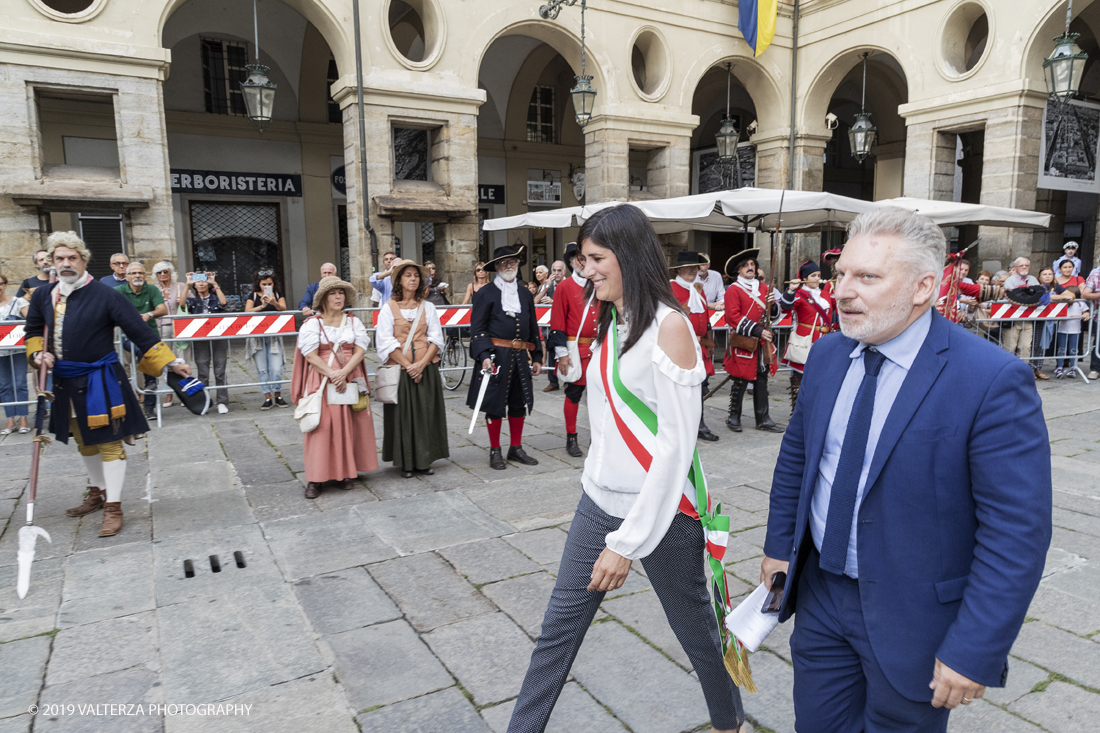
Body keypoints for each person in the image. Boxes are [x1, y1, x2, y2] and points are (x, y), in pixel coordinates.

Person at [760, 207, 1051, 733]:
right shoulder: (827, 355)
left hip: (913, 615)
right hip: (821, 596)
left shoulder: (990, 380)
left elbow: (1016, 533)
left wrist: (975, 647)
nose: (843, 291)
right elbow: (799, 459)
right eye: (842, 274)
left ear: (922, 288)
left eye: (867, 277)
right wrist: (780, 545)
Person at [509, 204, 746, 733]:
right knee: (557, 632)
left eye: (596, 258)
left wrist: (626, 542)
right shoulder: (610, 317)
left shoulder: (671, 328)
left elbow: (675, 448)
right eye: (582, 259)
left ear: (630, 255)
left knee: (697, 632)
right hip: (599, 501)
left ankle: (729, 723)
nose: (585, 269)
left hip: (663, 513)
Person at [27, 232, 189, 537]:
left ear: (84, 260)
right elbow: (34, 329)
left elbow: (139, 332)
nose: (66, 264)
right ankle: (98, 492)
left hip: (99, 378)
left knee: (108, 441)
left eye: (72, 258)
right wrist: (38, 353)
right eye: (59, 258)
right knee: (82, 440)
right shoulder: (41, 296)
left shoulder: (106, 295)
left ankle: (114, 506)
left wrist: (171, 362)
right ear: (52, 261)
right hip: (62, 380)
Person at [291, 277, 377, 498]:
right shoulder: (312, 324)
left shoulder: (353, 322)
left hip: (349, 374)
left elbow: (359, 350)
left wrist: (344, 372)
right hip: (320, 379)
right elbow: (310, 355)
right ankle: (315, 478)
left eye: (341, 292)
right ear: (323, 299)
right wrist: (332, 374)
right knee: (320, 426)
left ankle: (346, 473)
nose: (338, 297)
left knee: (350, 424)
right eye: (333, 293)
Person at [466, 244, 545, 470]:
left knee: (518, 403)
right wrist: (483, 355)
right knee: (495, 404)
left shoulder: (524, 293)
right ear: (497, 267)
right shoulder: (485, 293)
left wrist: (537, 355)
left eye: (512, 262)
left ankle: (516, 448)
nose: (508, 266)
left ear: (517, 265)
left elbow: (532, 326)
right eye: (503, 263)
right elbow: (478, 328)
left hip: (521, 356)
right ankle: (495, 450)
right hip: (495, 356)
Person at [375, 260, 450, 477]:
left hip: (426, 369)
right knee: (403, 417)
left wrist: (421, 364)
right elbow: (385, 341)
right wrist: (409, 366)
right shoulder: (388, 308)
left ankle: (424, 459)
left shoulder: (429, 307)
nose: (413, 279)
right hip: (400, 370)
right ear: (399, 280)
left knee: (426, 414)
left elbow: (436, 338)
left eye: (416, 276)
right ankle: (405, 462)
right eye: (408, 275)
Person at [722, 248, 783, 433]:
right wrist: (758, 331)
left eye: (752, 265)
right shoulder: (733, 290)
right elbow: (733, 317)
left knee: (761, 380)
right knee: (740, 379)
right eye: (746, 265)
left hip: (762, 343)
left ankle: (763, 418)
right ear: (738, 270)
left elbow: (773, 315)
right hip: (744, 341)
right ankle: (734, 417)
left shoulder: (764, 288)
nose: (750, 268)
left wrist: (772, 308)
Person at [547, 242, 597, 457]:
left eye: (585, 258)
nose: (582, 262)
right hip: (575, 349)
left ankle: (598, 436)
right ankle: (571, 437)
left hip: (598, 349)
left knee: (599, 395)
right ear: (571, 262)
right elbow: (557, 322)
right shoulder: (565, 287)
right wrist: (563, 355)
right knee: (574, 394)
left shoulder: (598, 283)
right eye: (578, 258)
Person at [669, 251, 719, 442]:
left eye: (695, 267)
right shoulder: (670, 288)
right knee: (680, 386)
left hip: (700, 346)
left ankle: (699, 424)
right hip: (680, 346)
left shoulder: (698, 288)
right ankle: (679, 425)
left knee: (698, 387)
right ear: (679, 269)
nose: (692, 270)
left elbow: (704, 316)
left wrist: (708, 337)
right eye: (688, 267)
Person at [780, 260, 836, 409]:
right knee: (800, 377)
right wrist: (791, 290)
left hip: (824, 341)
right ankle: (796, 411)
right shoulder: (799, 294)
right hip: (805, 341)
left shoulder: (826, 294)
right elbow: (785, 308)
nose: (818, 278)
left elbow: (843, 306)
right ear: (804, 278)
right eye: (813, 275)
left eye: (818, 275)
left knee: (821, 378)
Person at [115, 262, 167, 418]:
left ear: (145, 276)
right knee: (142, 354)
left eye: (140, 273)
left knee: (150, 366)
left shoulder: (151, 289)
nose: (137, 276)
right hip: (127, 336)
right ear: (126, 276)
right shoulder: (118, 291)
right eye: (133, 273)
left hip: (149, 334)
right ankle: (129, 404)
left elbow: (163, 309)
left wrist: (149, 314)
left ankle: (149, 408)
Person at [185, 271, 230, 413]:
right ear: (195, 285)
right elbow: (181, 304)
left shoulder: (215, 298)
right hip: (200, 339)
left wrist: (215, 284)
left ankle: (222, 401)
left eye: (204, 281)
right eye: (198, 281)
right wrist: (187, 284)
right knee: (202, 370)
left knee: (220, 370)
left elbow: (224, 303)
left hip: (218, 337)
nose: (201, 283)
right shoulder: (193, 300)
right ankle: (204, 401)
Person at [244, 270, 289, 409]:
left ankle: (278, 395)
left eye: (270, 283)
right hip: (257, 336)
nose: (267, 286)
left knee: (276, 368)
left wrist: (274, 303)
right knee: (262, 368)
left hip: (274, 335)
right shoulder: (252, 295)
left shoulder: (277, 295)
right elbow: (246, 311)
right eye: (264, 284)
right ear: (259, 284)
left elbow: (284, 308)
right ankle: (267, 397)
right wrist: (262, 306)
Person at [152, 261, 189, 408]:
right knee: (165, 360)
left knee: (182, 358)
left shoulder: (180, 286)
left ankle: (185, 391)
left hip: (179, 326)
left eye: (165, 272)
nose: (162, 275)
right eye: (159, 273)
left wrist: (184, 302)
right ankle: (168, 392)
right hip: (162, 328)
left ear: (170, 272)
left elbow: (190, 304)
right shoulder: (153, 289)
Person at [1002, 257, 1042, 377]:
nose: (1024, 267)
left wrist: (1024, 295)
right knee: (1010, 346)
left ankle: (1024, 372)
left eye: (1026, 265)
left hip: (1028, 319)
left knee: (1025, 347)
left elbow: (1038, 296)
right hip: (1012, 320)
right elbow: (1012, 298)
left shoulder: (1033, 279)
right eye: (1021, 266)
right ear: (1015, 268)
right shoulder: (1010, 280)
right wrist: (1027, 294)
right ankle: (1007, 372)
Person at [0, 276, 30, 435]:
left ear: (5, 285)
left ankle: (23, 418)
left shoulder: (18, 302)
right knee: (4, 385)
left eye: (0, 283)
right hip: (0, 353)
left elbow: (31, 319)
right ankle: (10, 419)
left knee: (20, 383)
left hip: (17, 349)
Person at [1053, 260, 1088, 378]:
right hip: (1062, 329)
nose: (1068, 269)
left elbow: (1085, 311)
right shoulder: (1062, 301)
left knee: (1073, 349)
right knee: (1061, 348)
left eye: (1070, 267)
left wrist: (1085, 315)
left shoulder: (1080, 303)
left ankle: (1073, 367)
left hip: (1075, 330)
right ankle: (1059, 366)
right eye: (1065, 267)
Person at [1083, 263, 1100, 379]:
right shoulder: (1095, 276)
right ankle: (1095, 369)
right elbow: (1085, 294)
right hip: (1099, 316)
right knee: (1099, 343)